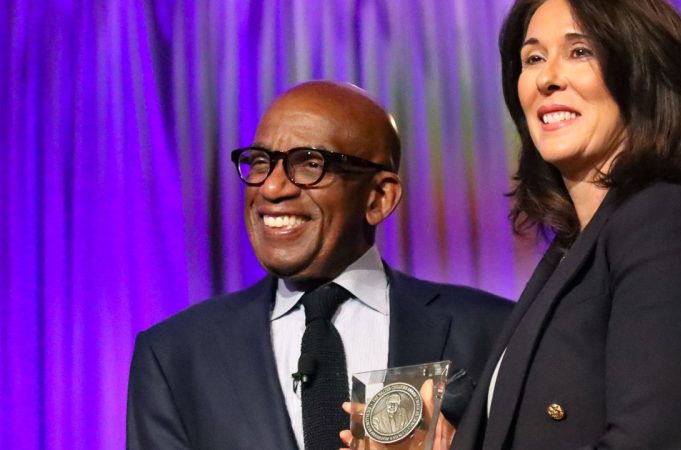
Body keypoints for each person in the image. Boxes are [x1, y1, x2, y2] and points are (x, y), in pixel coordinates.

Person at [126, 81, 512, 450]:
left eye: (310, 164)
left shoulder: (494, 331)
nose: (272, 188)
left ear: (378, 197)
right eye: (260, 162)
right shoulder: (174, 355)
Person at [451, 0, 681, 449]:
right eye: (533, 58)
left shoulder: (665, 222)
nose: (547, 78)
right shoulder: (574, 247)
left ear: (644, 74)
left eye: (580, 52)